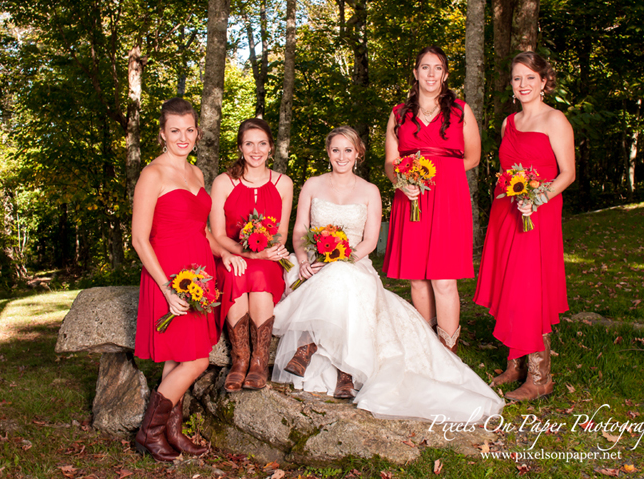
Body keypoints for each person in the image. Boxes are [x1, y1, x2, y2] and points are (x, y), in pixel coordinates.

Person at [272, 126, 503, 423]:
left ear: (358, 154)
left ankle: (328, 359)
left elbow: (368, 242)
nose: (341, 156)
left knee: (343, 276)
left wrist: (341, 258)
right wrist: (304, 260)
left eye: (348, 150)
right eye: (335, 150)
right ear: (328, 153)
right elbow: (301, 229)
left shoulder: (370, 190)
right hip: (314, 261)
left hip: (353, 261)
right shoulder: (313, 185)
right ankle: (338, 367)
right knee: (332, 278)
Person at [132, 98, 243, 462]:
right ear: (162, 133)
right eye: (175, 130)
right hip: (169, 277)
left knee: (178, 358)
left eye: (189, 130)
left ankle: (172, 432)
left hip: (200, 274)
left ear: (197, 132)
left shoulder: (196, 174)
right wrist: (166, 288)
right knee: (196, 360)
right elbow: (139, 238)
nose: (183, 137)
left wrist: (222, 253)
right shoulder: (153, 174)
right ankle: (149, 432)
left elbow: (202, 231)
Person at [474, 52, 575, 402]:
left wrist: (539, 198)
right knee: (510, 284)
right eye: (517, 78)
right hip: (507, 211)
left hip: (539, 213)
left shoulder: (556, 120)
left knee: (531, 286)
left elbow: (568, 173)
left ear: (544, 81)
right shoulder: (508, 123)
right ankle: (515, 364)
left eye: (530, 77)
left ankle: (540, 375)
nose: (523, 84)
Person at [382, 46, 481, 353]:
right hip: (410, 197)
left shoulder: (461, 111)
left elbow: (473, 157)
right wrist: (403, 180)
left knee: (443, 278)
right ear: (415, 72)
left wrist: (440, 175)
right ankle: (426, 349)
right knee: (416, 278)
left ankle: (448, 353)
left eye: (437, 68)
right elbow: (389, 161)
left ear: (446, 75)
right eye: (425, 67)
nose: (431, 74)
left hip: (449, 199)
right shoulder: (399, 113)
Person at [210, 118, 293, 392]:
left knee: (258, 273)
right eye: (249, 144)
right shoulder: (223, 182)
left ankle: (259, 360)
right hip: (233, 254)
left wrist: (273, 249)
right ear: (240, 147)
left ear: (271, 148)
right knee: (237, 272)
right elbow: (219, 234)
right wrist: (244, 252)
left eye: (262, 144)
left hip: (267, 257)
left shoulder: (283, 183)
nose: (255, 150)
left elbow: (280, 232)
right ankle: (240, 358)